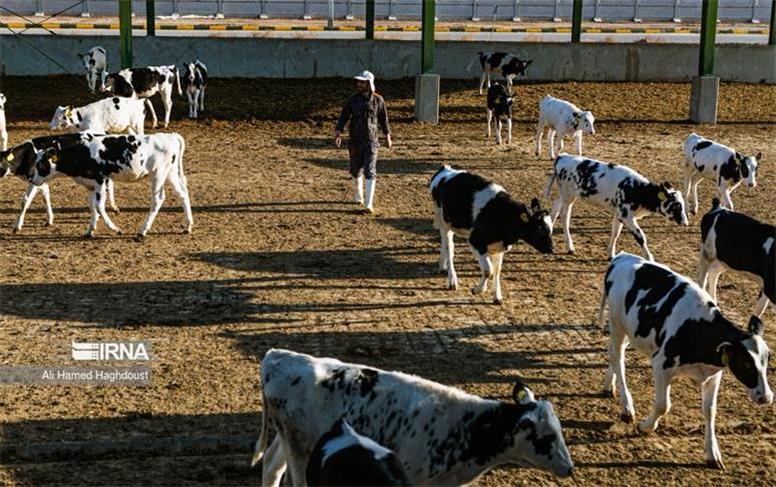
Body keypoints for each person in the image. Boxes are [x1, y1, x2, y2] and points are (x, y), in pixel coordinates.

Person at [334, 70, 392, 214]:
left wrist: (387, 136)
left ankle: (368, 203)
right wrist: (338, 132)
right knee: (355, 169)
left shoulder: (379, 100)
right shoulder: (352, 100)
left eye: (362, 82)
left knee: (370, 171)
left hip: (372, 141)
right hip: (354, 140)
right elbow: (344, 116)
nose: (359, 84)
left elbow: (384, 119)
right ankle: (359, 194)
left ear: (369, 83)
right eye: (358, 82)